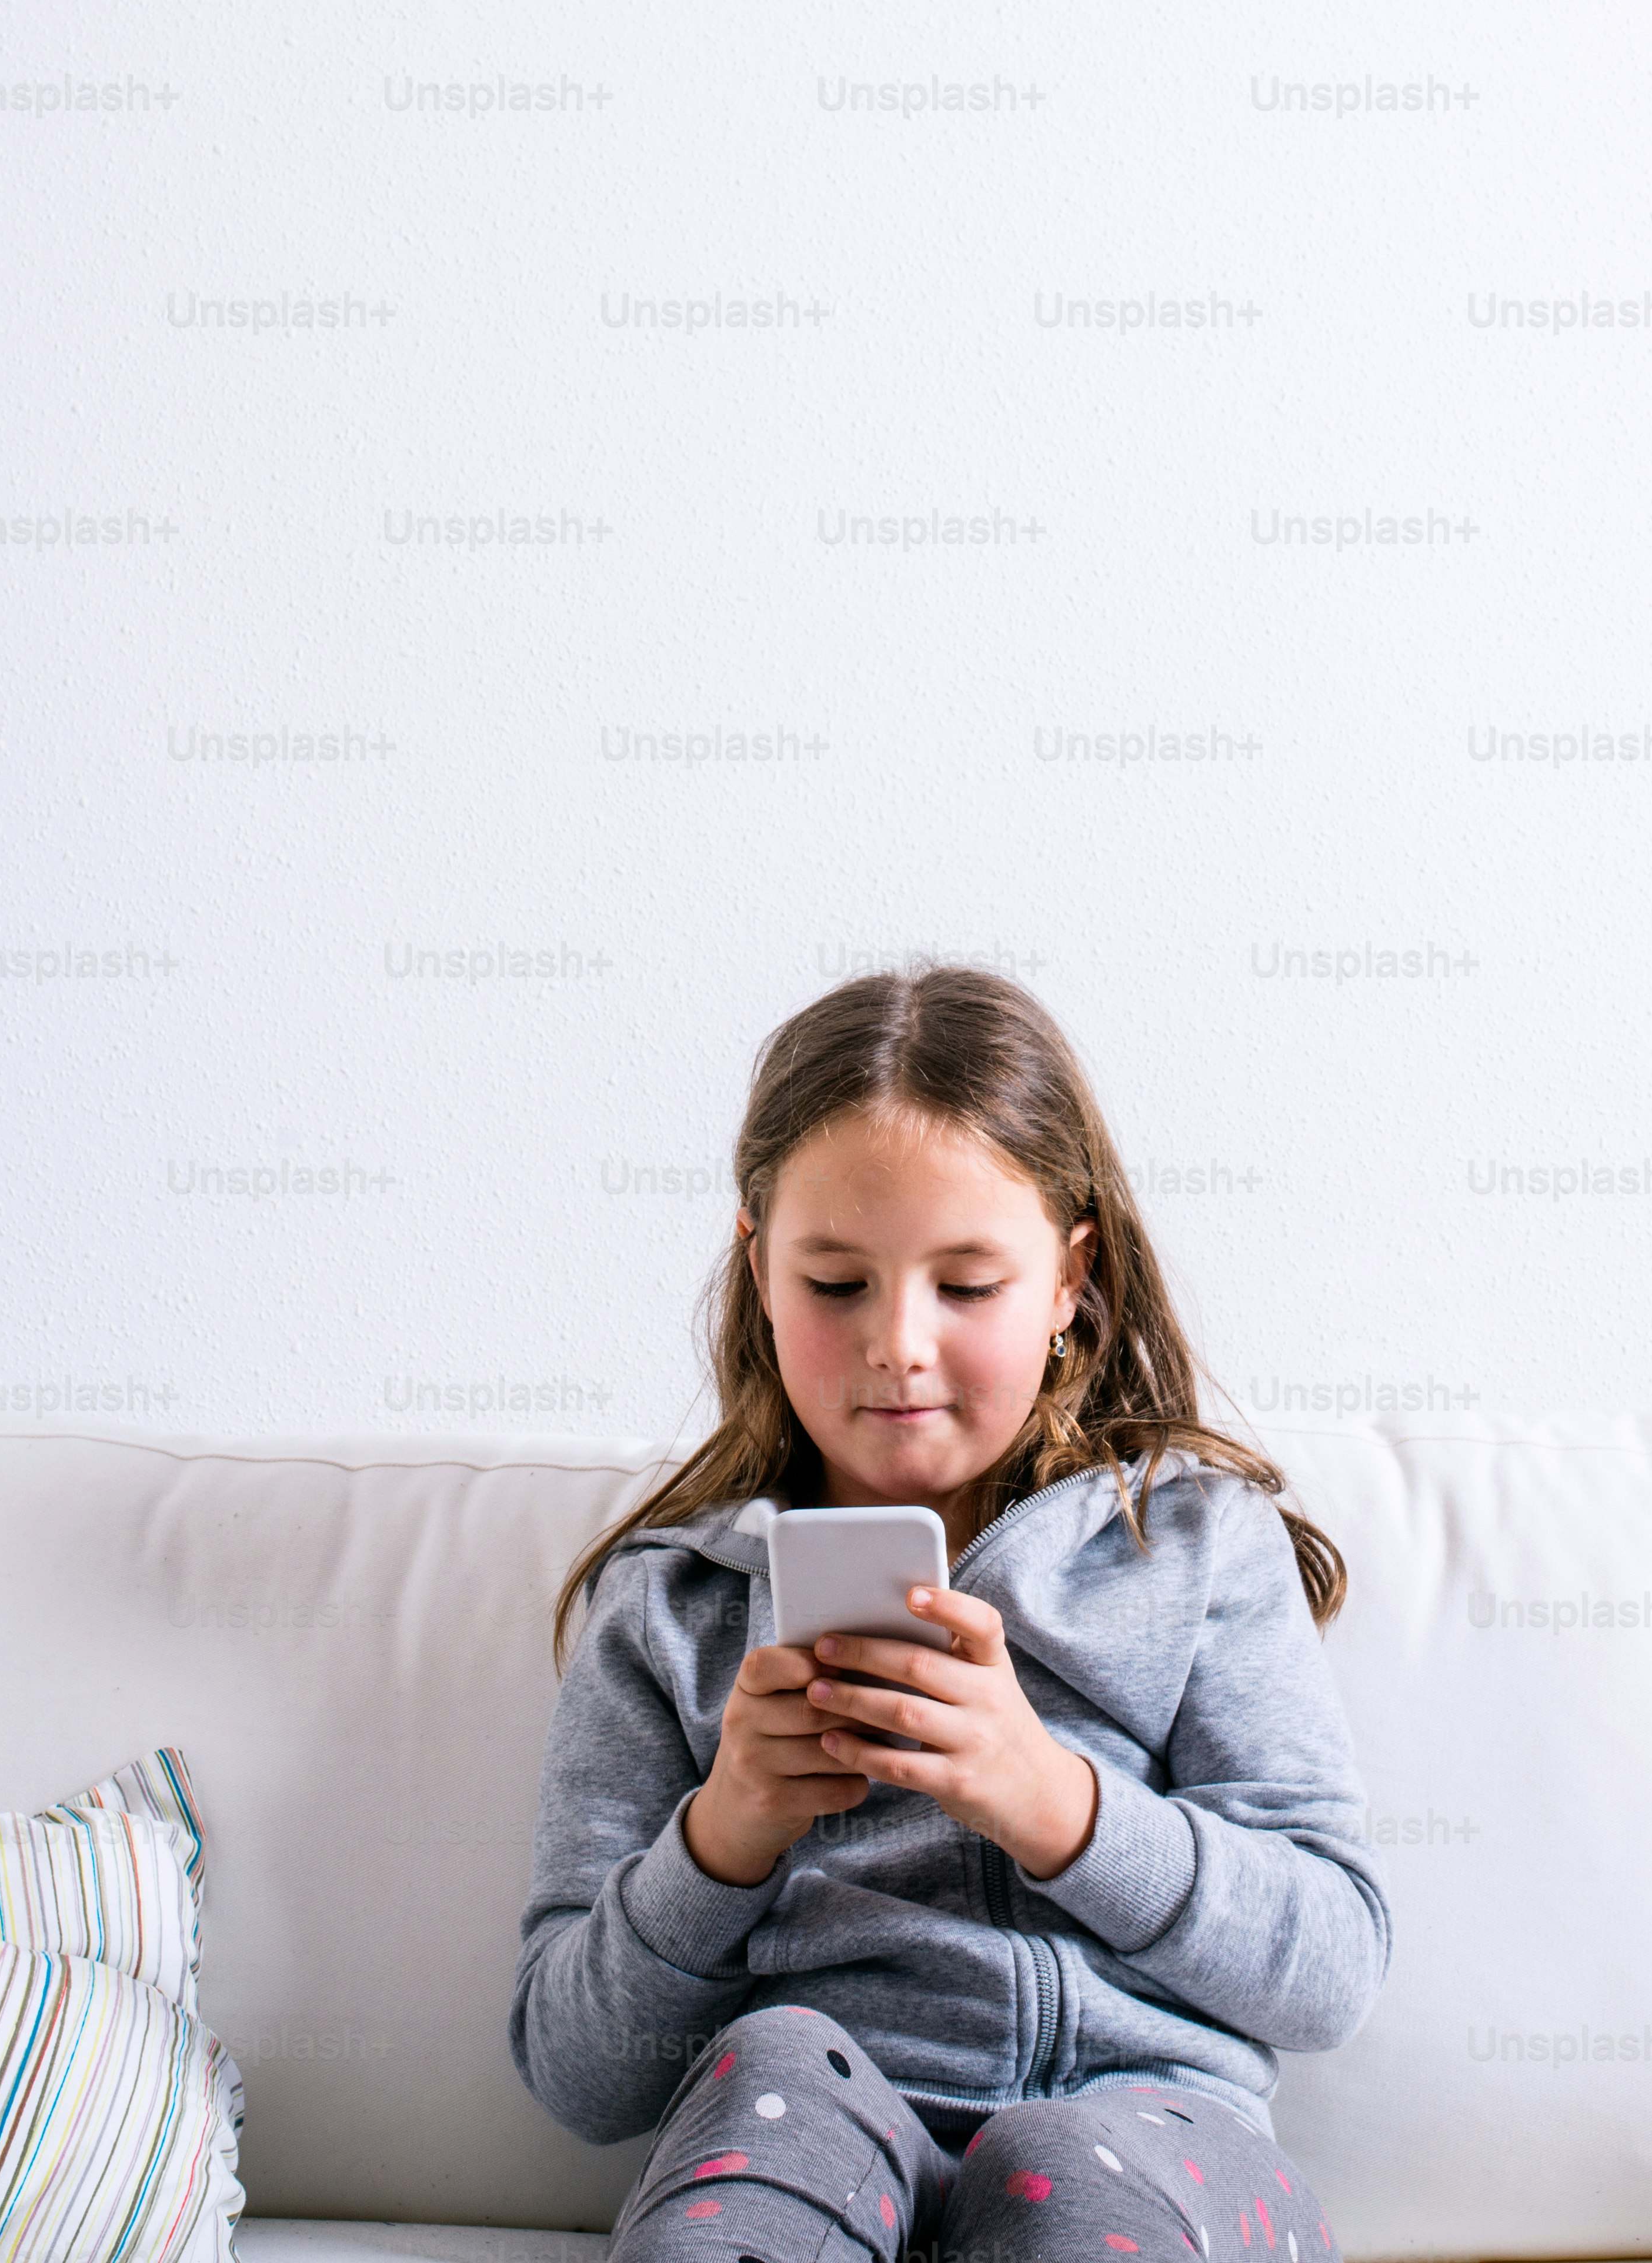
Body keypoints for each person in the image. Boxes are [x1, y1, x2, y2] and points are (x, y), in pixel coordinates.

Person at [513, 966, 1387, 2263]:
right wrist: (722, 1840)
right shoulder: (672, 1607)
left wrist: (1057, 1804)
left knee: (1058, 2164)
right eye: (836, 1282)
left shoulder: (1196, 1548)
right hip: (819, 2126)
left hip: (1149, 2138)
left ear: (1070, 1276)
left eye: (967, 1285)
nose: (899, 1344)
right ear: (759, 1268)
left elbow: (1331, 1970)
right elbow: (576, 2071)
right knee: (779, 2063)